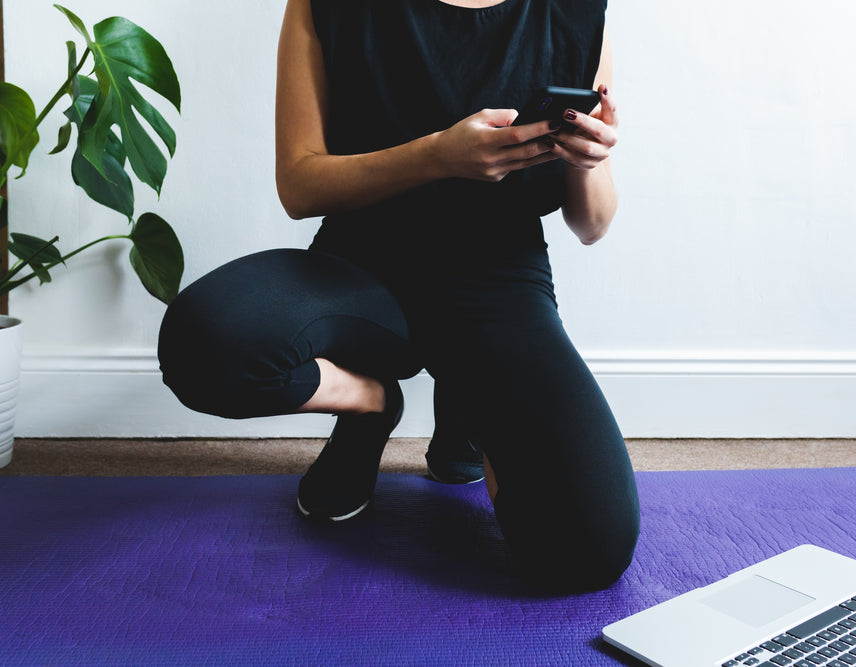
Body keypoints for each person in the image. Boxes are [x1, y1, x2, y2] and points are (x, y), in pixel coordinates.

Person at [157, 0, 639, 591]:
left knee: (587, 550)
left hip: (497, 282)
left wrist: (589, 162)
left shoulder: (573, 11)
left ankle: (468, 401)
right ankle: (370, 406)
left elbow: (592, 225)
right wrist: (436, 156)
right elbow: (300, 184)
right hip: (359, 266)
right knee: (201, 345)